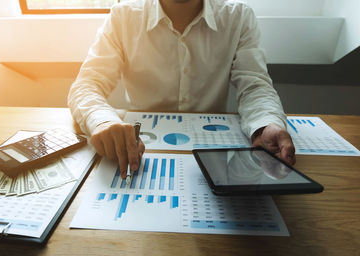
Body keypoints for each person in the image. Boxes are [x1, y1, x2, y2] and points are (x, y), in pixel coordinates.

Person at [68, 0, 296, 179]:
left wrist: (265, 124)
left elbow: (254, 85)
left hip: (213, 151)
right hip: (142, 152)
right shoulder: (123, 16)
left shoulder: (238, 17)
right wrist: (102, 120)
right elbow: (87, 84)